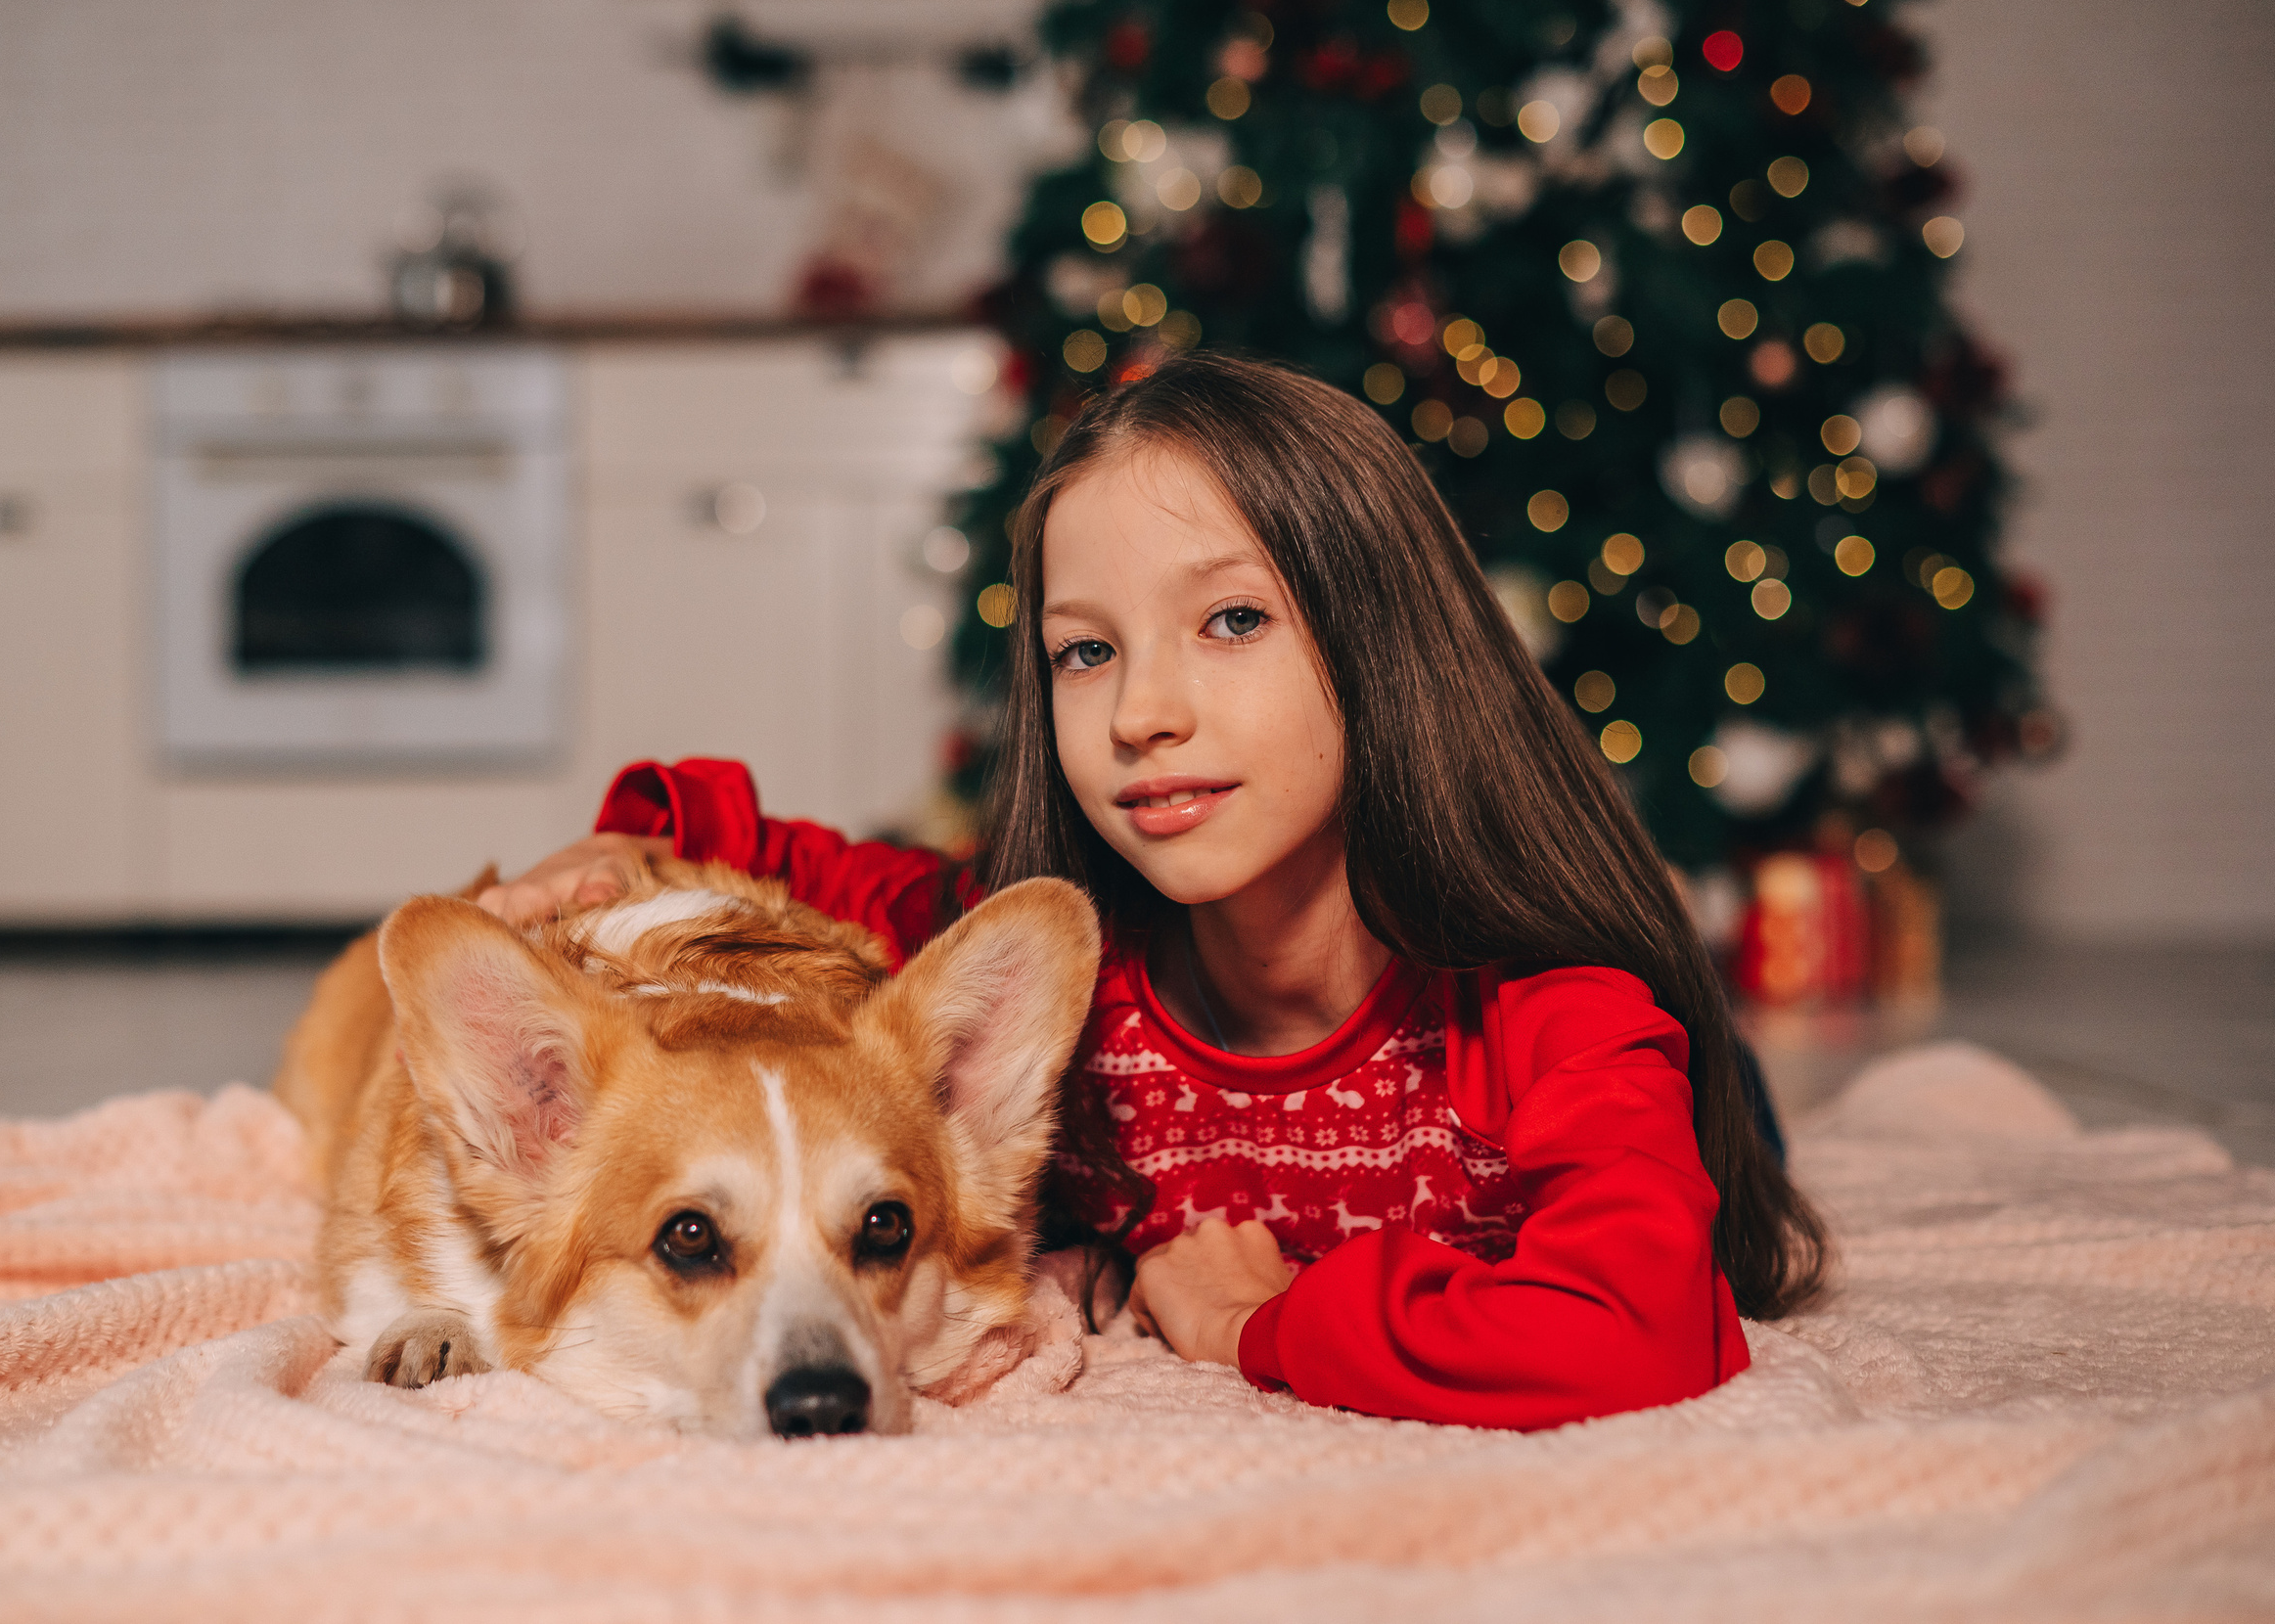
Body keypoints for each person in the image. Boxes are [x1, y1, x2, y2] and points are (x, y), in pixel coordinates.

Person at [478, 352, 1828, 1430]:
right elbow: (795, 861)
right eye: (1084, 651)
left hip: (1653, 1062)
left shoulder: (1550, 1009)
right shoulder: (1074, 948)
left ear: (1384, 645)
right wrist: (628, 848)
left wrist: (1264, 1320)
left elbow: (1636, 1329)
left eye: (1231, 620)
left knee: (1727, 1108)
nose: (1143, 711)